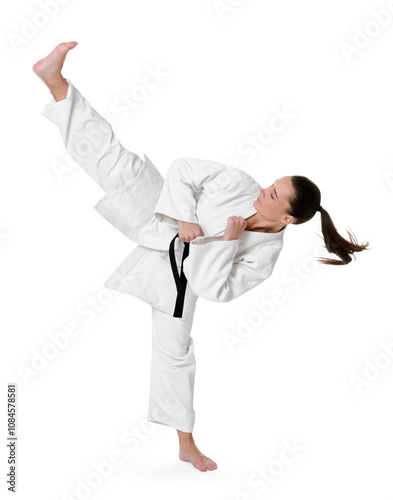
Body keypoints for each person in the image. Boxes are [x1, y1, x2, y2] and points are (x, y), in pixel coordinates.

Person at [32, 41, 371, 472]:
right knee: (120, 165)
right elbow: (182, 169)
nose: (262, 189)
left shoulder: (262, 258)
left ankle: (186, 444)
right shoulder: (240, 183)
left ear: (285, 219)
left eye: (272, 194)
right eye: (271, 183)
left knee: (174, 352)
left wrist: (228, 241)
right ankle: (56, 83)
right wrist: (185, 216)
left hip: (180, 278)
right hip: (164, 216)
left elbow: (214, 288)